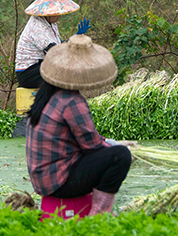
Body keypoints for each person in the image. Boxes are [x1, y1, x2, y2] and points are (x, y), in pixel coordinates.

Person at [26, 34, 132, 215]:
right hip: (59, 183)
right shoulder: (71, 101)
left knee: (112, 151)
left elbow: (85, 140)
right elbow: (92, 146)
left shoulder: (46, 96)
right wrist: (115, 146)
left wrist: (107, 143)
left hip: (43, 181)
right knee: (120, 156)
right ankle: (99, 214)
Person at [15, 0, 90, 89]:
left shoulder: (51, 23)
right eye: (56, 13)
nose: (59, 15)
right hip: (28, 73)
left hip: (40, 66)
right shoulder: (37, 26)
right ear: (48, 13)